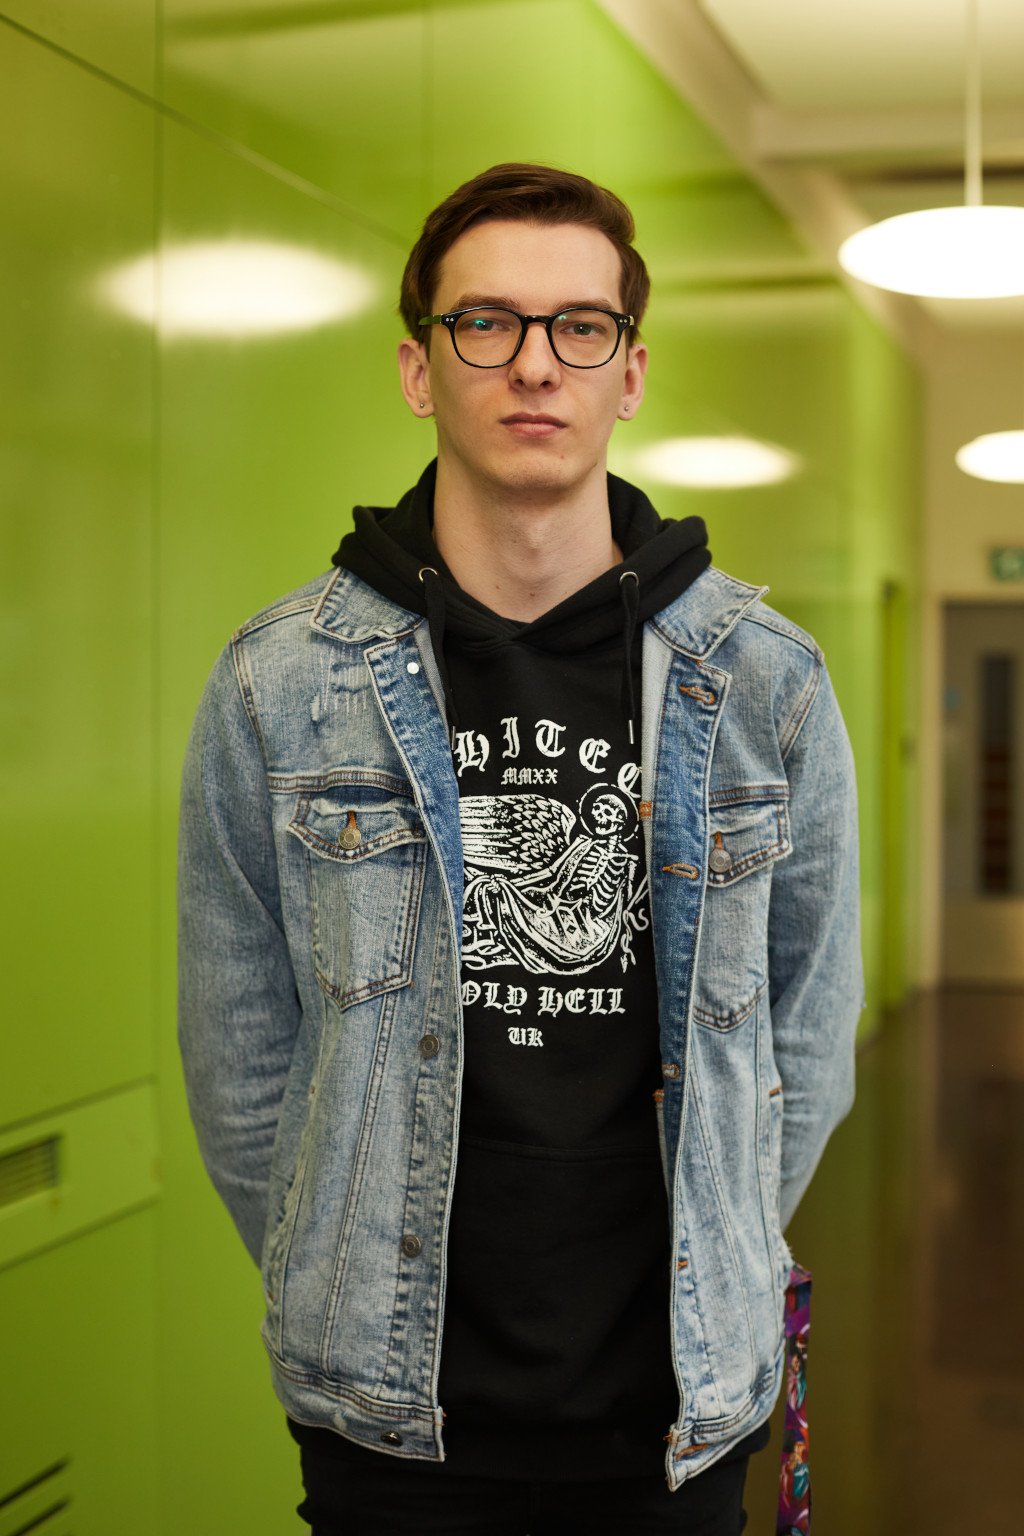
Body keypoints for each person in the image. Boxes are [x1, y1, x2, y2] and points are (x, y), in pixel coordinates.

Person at [177, 162, 862, 1535]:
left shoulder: (767, 686)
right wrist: (341, 1270)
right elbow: (242, 1058)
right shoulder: (282, 682)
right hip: (390, 1417)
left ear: (631, 372)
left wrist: (715, 1251)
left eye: (579, 327)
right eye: (485, 323)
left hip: (673, 1406)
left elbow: (803, 1044)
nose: (535, 363)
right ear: (421, 371)